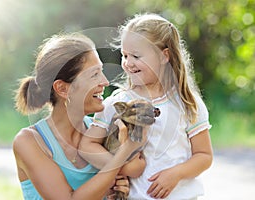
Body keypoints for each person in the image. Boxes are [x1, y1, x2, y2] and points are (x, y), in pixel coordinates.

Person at [79, 13, 213, 200]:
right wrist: (119, 165)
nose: (128, 63)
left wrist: (176, 173)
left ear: (163, 56)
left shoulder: (187, 103)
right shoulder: (117, 104)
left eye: (136, 56)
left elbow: (204, 155)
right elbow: (87, 145)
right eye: (124, 55)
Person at [12, 33, 147, 200]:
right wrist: (124, 152)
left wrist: (116, 194)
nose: (105, 82)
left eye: (101, 72)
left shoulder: (99, 134)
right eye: (94, 75)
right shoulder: (29, 142)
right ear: (62, 89)